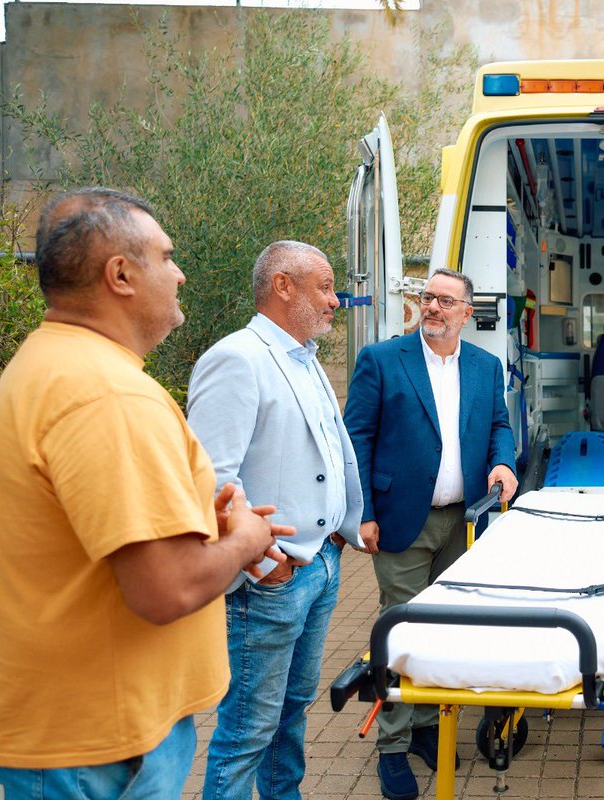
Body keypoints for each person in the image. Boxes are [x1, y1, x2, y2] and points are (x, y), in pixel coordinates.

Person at [0, 187, 286, 799]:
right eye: (167, 256)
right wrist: (246, 540)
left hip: (79, 730)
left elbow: (76, 530)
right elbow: (165, 588)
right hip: (100, 744)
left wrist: (193, 522)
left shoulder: (52, 365)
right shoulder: (107, 395)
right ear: (121, 275)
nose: (179, 274)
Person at [187, 241, 370, 799]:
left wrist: (340, 532)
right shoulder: (237, 358)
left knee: (290, 714)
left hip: (320, 565)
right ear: (282, 285)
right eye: (325, 287)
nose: (335, 300)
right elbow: (211, 477)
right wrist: (267, 566)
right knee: (248, 731)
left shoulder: (303, 357)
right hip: (272, 581)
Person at [344, 267, 517, 800]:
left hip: (462, 521)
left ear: (467, 312)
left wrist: (503, 462)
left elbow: (499, 425)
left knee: (443, 628)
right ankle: (392, 748)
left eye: (445, 300)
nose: (433, 307)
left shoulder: (486, 367)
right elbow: (357, 438)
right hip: (401, 518)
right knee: (401, 628)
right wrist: (361, 513)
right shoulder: (381, 359)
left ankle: (424, 727)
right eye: (428, 297)